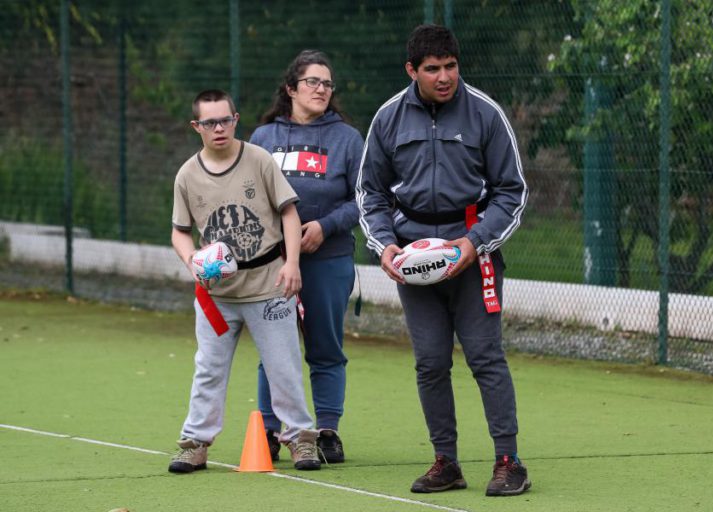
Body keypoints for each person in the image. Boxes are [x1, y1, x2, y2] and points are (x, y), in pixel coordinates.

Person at [356, 25, 531, 496]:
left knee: (485, 358)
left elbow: (511, 193)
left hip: (474, 257)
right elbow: (370, 192)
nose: (444, 77)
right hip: (414, 262)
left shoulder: (485, 114)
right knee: (430, 363)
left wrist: (472, 245)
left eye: (450, 66)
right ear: (412, 70)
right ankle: (445, 463)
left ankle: (509, 461)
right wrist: (386, 246)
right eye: (432, 69)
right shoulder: (389, 118)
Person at [169, 89, 321, 472]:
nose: (218, 128)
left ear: (235, 120)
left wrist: (292, 264)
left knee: (283, 366)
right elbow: (179, 231)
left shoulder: (259, 160)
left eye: (225, 120)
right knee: (208, 368)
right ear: (196, 127)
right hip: (217, 295)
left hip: (269, 285)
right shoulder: (187, 175)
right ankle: (195, 442)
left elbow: (289, 214)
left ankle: (301, 439)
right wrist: (192, 261)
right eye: (209, 122)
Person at [249, 50, 363, 463]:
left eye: (327, 84)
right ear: (291, 88)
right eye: (312, 82)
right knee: (273, 348)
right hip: (273, 263)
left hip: (329, 257)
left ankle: (327, 431)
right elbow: (250, 196)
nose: (321, 89)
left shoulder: (348, 140)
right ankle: (268, 428)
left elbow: (364, 202)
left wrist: (325, 226)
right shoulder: (262, 139)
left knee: (325, 347)